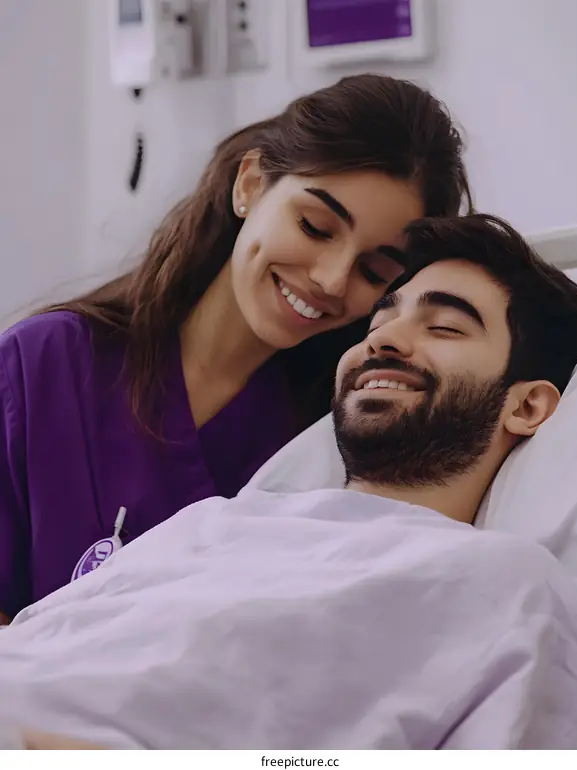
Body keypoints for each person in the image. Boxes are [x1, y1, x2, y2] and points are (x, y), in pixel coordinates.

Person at [3, 214, 577, 751]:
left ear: (526, 408)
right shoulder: (212, 524)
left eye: (444, 327)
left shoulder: (511, 591)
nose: (383, 340)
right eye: (381, 319)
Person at [0, 75, 473, 622]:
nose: (332, 279)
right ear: (249, 183)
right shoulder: (44, 369)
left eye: (373, 270)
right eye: (315, 227)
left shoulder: (330, 439)